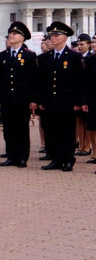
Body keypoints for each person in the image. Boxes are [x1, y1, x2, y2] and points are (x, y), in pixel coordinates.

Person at [36, 21, 85, 172]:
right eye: (51, 35)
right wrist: (41, 100)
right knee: (52, 131)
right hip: (50, 101)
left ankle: (68, 160)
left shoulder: (74, 57)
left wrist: (78, 101)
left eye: (56, 35)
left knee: (68, 132)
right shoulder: (45, 58)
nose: (53, 38)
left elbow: (79, 82)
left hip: (67, 102)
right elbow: (42, 82)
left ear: (65, 37)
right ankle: (56, 159)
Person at [0, 21, 36, 168]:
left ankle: (22, 157)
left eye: (15, 34)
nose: (11, 36)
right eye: (10, 33)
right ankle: (11, 156)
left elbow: (33, 79)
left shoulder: (29, 56)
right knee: (9, 129)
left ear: (22, 38)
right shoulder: (1, 56)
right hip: (7, 98)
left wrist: (33, 99)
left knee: (22, 128)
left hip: (22, 98)